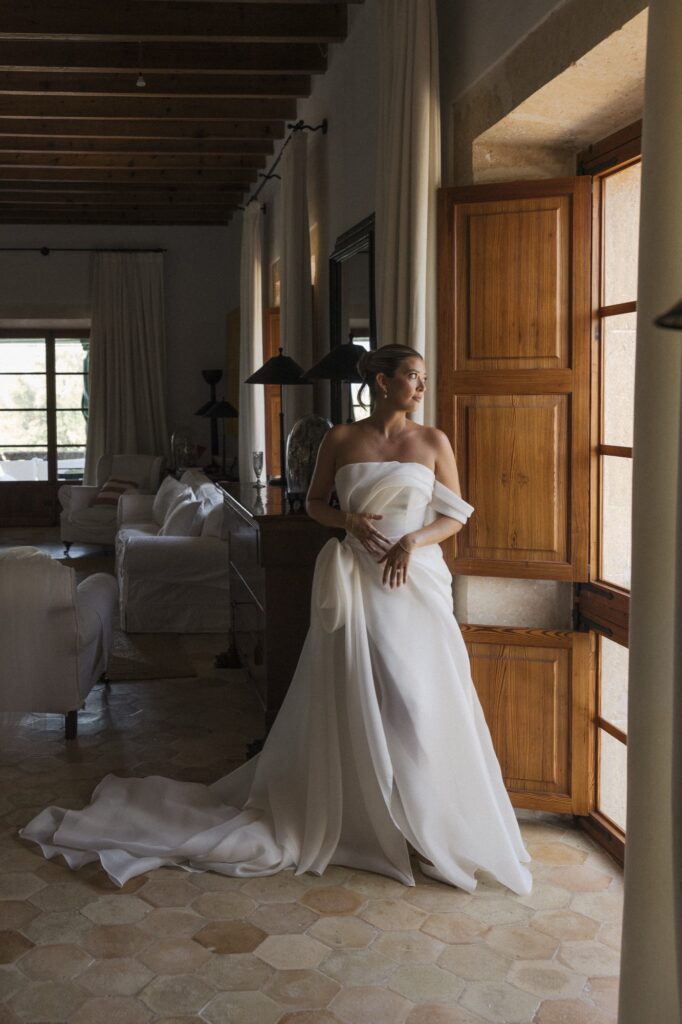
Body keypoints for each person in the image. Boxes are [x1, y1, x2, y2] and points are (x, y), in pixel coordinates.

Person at [21, 344, 532, 896]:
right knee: (371, 694)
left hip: (415, 582)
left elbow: (455, 513)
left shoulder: (434, 441)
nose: (422, 386)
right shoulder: (340, 438)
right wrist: (348, 521)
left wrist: (413, 539)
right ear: (382, 382)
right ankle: (378, 818)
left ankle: (431, 827)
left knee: (421, 700)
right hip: (358, 581)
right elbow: (313, 504)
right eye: (413, 376)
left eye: (424, 377)